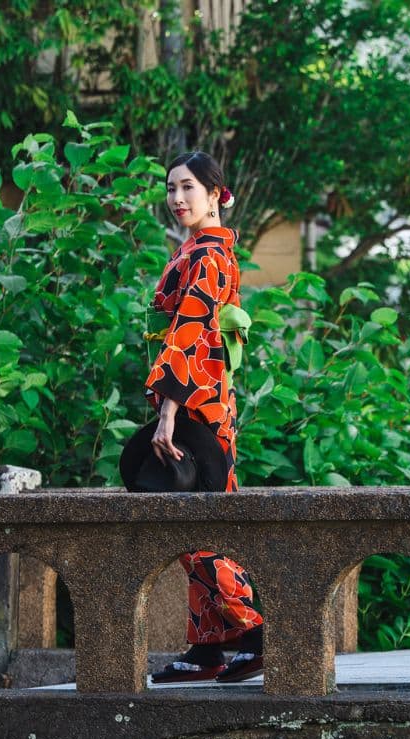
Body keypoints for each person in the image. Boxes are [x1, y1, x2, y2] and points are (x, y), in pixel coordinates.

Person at [144, 150, 264, 684]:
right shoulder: (203, 249)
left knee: (193, 524)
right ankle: (208, 647)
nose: (177, 198)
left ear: (215, 193)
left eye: (188, 187)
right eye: (171, 188)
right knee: (200, 519)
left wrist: (168, 411)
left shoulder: (210, 256)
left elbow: (192, 330)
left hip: (196, 403)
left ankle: (257, 629)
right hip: (205, 398)